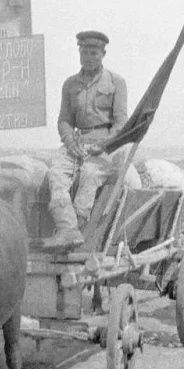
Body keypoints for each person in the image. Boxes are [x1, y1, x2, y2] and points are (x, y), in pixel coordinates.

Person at [43, 30, 128, 250]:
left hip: (106, 146)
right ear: (79, 53)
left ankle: (80, 226)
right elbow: (64, 120)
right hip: (77, 144)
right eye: (85, 52)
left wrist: (103, 145)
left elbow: (121, 122)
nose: (89, 57)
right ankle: (67, 229)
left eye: (94, 52)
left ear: (103, 54)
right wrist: (70, 142)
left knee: (89, 175)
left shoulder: (116, 82)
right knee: (55, 173)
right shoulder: (70, 84)